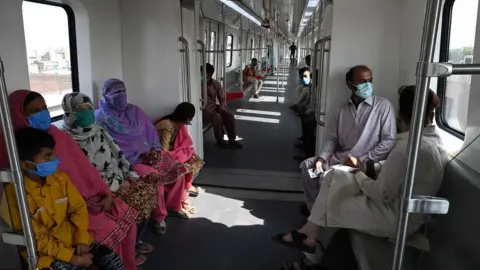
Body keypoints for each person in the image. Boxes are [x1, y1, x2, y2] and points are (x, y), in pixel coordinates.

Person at [273, 86, 448, 269]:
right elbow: (395, 172)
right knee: (334, 175)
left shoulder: (406, 149)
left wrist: (359, 174)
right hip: (397, 203)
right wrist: (363, 168)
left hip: (397, 218)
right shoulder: (432, 142)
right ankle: (309, 235)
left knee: (334, 200)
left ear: (400, 114)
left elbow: (382, 193)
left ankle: (308, 250)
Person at [0, 90, 138, 269]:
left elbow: (85, 171)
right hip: (55, 231)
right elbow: (34, 232)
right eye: (35, 111)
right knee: (105, 231)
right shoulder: (11, 153)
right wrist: (72, 256)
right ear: (19, 114)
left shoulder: (58, 140)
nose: (43, 114)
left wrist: (105, 192)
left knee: (123, 223)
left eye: (45, 108)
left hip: (81, 204)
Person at [6, 127, 124, 270]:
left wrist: (81, 238)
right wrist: (72, 258)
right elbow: (36, 238)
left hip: (72, 237)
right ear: (25, 164)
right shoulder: (15, 194)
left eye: (54, 153)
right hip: (46, 253)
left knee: (113, 262)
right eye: (48, 156)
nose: (55, 159)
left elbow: (78, 207)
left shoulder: (59, 178)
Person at [61, 92, 161, 259]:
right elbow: (83, 175)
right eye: (80, 109)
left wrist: (130, 175)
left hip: (117, 177)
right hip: (99, 188)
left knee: (149, 191)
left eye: (88, 108)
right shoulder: (66, 140)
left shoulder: (97, 130)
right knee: (134, 202)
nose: (86, 113)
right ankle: (128, 251)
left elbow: (117, 153)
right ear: (69, 112)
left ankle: (135, 241)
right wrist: (114, 186)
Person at [95, 79, 193, 229]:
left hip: (149, 154)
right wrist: (139, 156)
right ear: (106, 95)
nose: (122, 95)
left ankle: (174, 205)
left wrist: (154, 150)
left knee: (177, 170)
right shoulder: (101, 118)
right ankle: (159, 217)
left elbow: (151, 132)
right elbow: (108, 148)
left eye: (123, 91)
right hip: (130, 161)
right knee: (155, 179)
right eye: (116, 92)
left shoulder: (135, 111)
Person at [300, 65, 397, 215]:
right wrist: (322, 158)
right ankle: (315, 211)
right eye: (362, 81)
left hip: (362, 163)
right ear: (349, 84)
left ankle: (321, 215)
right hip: (340, 158)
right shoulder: (341, 110)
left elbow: (388, 141)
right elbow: (332, 138)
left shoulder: (383, 107)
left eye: (370, 81)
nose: (368, 85)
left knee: (328, 177)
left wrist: (363, 160)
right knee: (308, 166)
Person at [155, 102, 206, 198]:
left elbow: (183, 142)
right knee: (181, 167)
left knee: (194, 159)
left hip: (171, 151)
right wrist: (179, 154)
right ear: (187, 119)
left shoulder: (178, 125)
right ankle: (181, 196)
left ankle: (187, 185)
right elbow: (163, 151)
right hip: (161, 155)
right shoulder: (166, 126)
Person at [201, 64, 242, 148]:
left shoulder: (215, 84)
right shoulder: (197, 84)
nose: (200, 75)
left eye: (202, 73)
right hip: (203, 109)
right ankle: (220, 140)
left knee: (230, 116)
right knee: (217, 117)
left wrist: (222, 106)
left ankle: (232, 139)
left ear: (208, 74)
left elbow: (222, 98)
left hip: (214, 106)